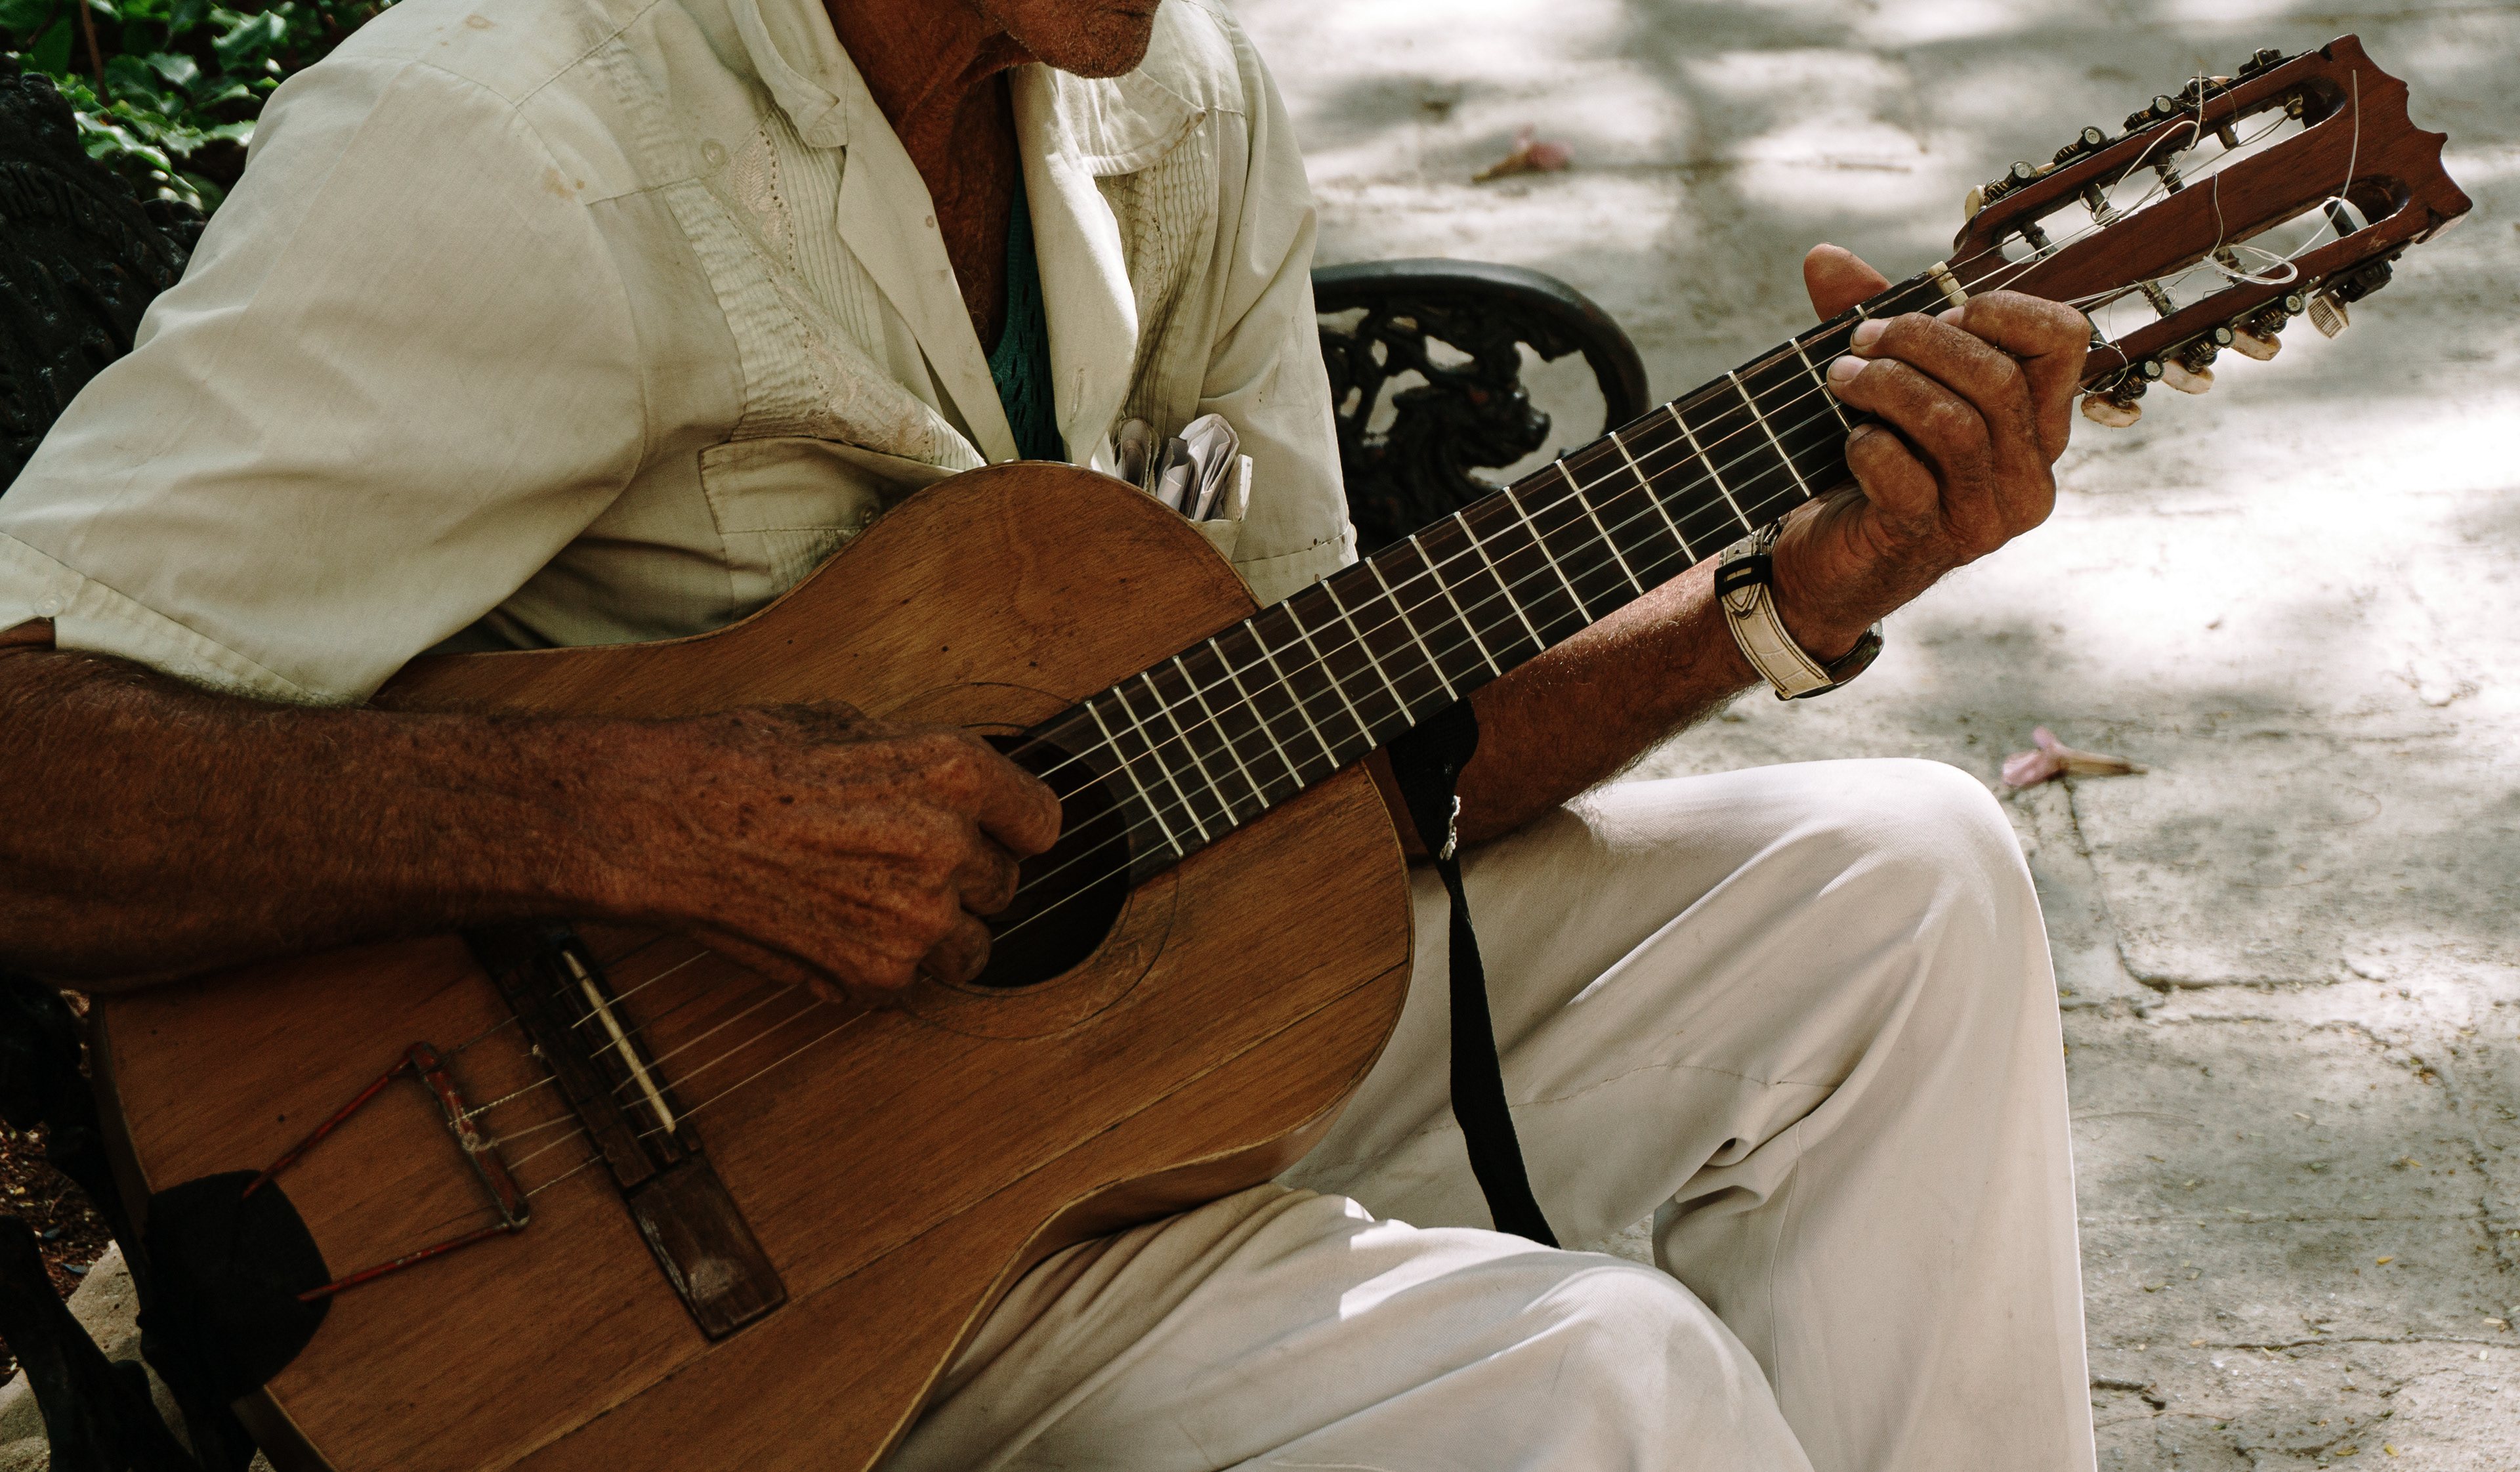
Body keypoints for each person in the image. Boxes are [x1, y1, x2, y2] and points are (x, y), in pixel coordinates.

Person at [0, 0, 2100, 1466]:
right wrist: (653, 823)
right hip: (758, 1275)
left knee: (1912, 880)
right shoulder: (515, 140)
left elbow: (1338, 733)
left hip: (1126, 1083)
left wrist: (1787, 595)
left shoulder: (1164, 106)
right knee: (1606, 1392)